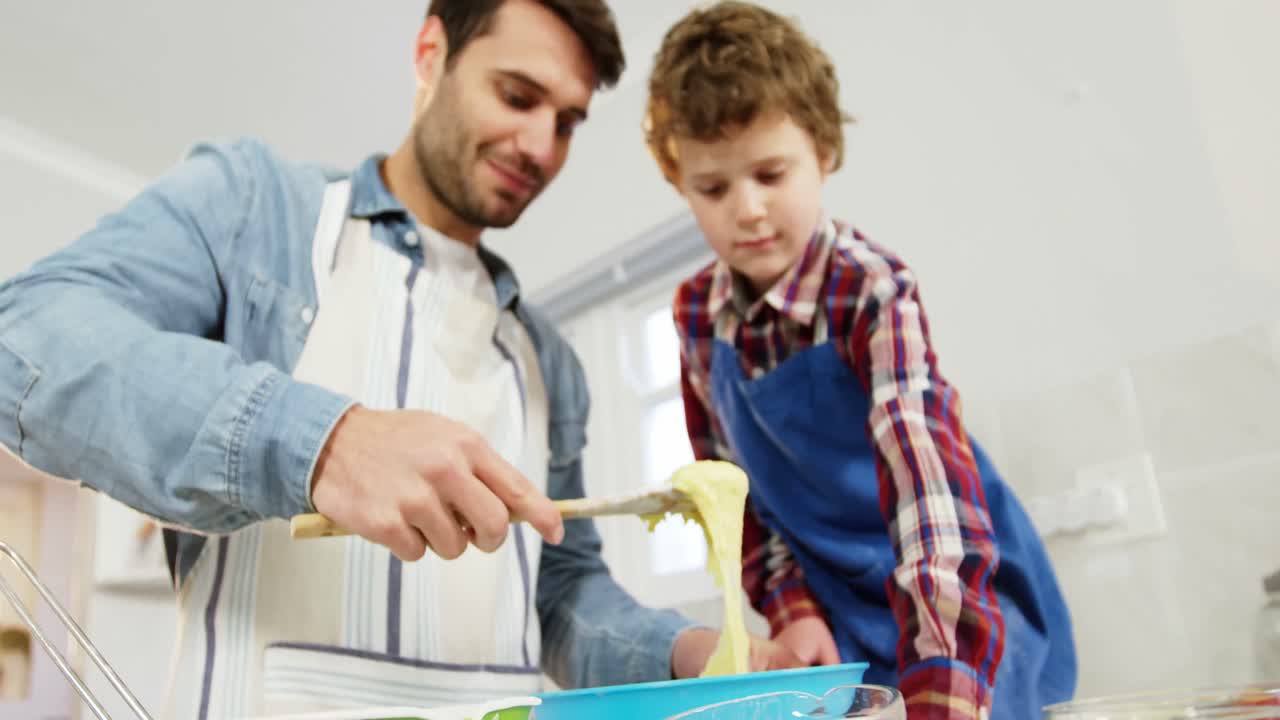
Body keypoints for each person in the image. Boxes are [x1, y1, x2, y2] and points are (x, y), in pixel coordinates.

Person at [0, 1, 798, 716]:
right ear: (430, 53)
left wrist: (689, 656)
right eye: (517, 96)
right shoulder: (254, 208)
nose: (540, 145)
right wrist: (323, 441)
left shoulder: (546, 359)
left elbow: (557, 589)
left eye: (567, 121)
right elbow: (25, 338)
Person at [643, 3, 1078, 718]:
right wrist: (792, 609)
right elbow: (739, 503)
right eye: (713, 189)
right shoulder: (696, 317)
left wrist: (943, 669)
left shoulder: (871, 291)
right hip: (838, 611)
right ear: (679, 183)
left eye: (770, 173)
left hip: (955, 592)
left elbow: (927, 489)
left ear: (823, 151)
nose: (747, 209)